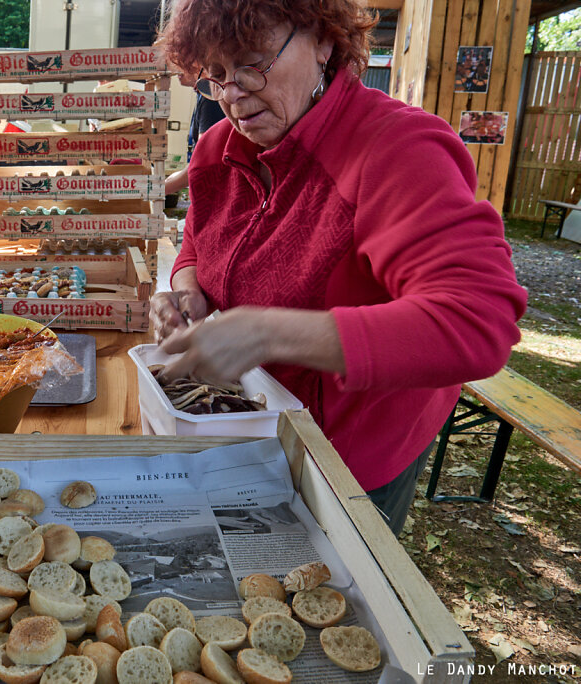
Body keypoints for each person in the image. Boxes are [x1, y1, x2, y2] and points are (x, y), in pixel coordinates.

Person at [153, 0, 527, 534]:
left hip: (354, 449)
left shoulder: (398, 149)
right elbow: (197, 245)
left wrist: (268, 332)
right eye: (214, 75)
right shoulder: (218, 148)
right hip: (255, 424)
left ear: (324, 41)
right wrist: (188, 290)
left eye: (253, 61)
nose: (232, 92)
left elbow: (478, 321)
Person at [164, 71, 226, 195]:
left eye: (182, 62)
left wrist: (158, 190)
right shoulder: (203, 95)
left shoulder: (210, 98)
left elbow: (203, 161)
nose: (176, 70)